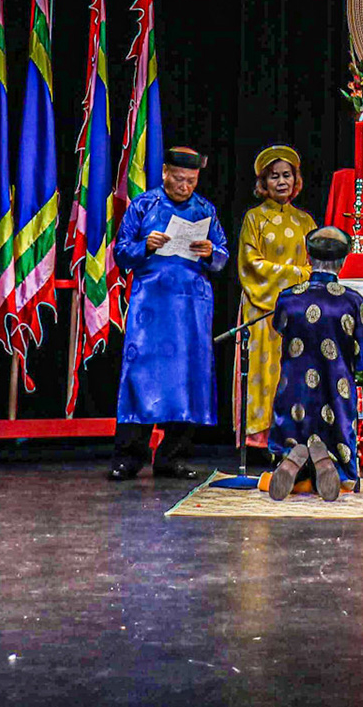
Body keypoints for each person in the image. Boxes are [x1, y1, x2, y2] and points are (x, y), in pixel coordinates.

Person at [109, 146, 228, 481]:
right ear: (164, 173)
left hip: (191, 306)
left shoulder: (204, 209)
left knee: (187, 379)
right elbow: (120, 252)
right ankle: (129, 457)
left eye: (191, 180)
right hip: (151, 304)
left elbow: (222, 256)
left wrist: (210, 251)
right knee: (141, 376)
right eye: (178, 178)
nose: (184, 186)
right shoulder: (143, 205)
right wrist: (145, 245)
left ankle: (173, 457)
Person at [267, 224, 363, 503]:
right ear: (344, 260)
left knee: (293, 427)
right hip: (336, 391)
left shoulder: (287, 298)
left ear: (307, 255)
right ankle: (333, 465)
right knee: (338, 429)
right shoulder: (353, 301)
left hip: (294, 391)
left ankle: (294, 458)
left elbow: (279, 327)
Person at [235, 145, 315, 453]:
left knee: (292, 372)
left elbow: (316, 265)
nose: (281, 182)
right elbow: (251, 265)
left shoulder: (305, 222)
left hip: (297, 312)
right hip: (261, 309)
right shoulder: (254, 219)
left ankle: (292, 438)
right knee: (262, 373)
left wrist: (304, 281)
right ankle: (259, 440)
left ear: (296, 180)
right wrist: (298, 275)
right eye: (274, 176)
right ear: (263, 183)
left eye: (286, 175)